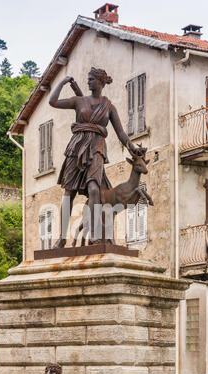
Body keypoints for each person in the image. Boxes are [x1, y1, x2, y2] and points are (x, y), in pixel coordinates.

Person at [49, 67, 146, 247]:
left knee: (94, 189)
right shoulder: (79, 101)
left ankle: (94, 234)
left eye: (91, 79)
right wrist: (62, 82)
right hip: (76, 147)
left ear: (100, 82)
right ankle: (61, 238)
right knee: (68, 192)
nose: (88, 82)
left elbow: (121, 133)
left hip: (97, 147)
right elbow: (52, 101)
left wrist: (132, 148)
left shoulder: (108, 106)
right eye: (87, 79)